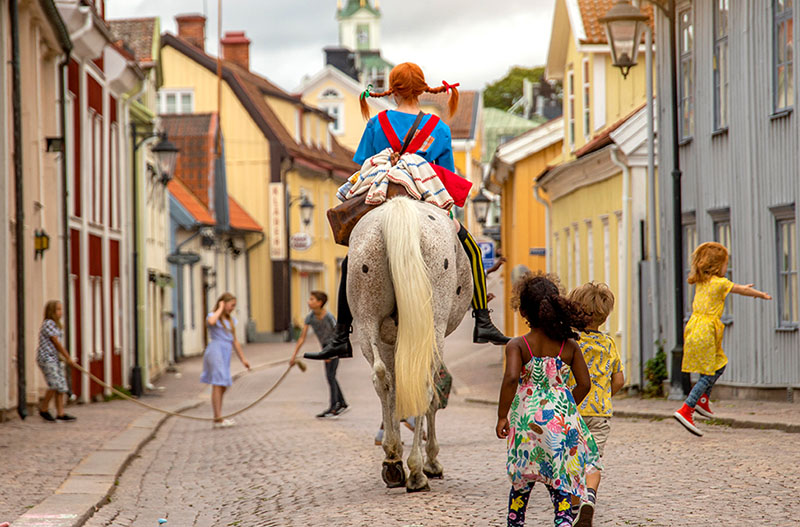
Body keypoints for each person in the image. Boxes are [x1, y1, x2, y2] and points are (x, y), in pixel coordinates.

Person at [304, 62, 508, 362]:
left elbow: (363, 167)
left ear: (393, 90)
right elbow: (445, 177)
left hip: (384, 198)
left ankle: (341, 334)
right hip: (425, 199)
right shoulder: (439, 129)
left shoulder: (377, 123)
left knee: (352, 261)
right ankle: (482, 319)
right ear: (423, 89)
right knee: (472, 251)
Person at [496, 272, 600, 527]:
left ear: (523, 312)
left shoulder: (518, 345)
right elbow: (585, 384)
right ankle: (563, 521)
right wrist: (564, 408)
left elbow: (511, 378)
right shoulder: (569, 346)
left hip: (526, 423)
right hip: (561, 423)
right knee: (560, 478)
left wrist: (501, 415)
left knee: (523, 480)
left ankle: (516, 522)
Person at [674, 242, 771, 436]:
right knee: (710, 372)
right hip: (706, 331)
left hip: (694, 328)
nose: (727, 268)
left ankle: (702, 400)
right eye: (726, 264)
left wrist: (744, 287)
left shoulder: (701, 281)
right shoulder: (719, 283)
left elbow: (736, 287)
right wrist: (759, 294)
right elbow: (739, 290)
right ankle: (687, 408)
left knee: (718, 364)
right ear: (717, 265)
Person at [566, 282, 625, 526]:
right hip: (600, 414)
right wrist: (604, 396)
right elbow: (620, 380)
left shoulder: (570, 342)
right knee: (593, 459)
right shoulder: (609, 344)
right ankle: (590, 496)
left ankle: (573, 505)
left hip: (572, 410)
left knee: (571, 458)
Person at [290, 291, 348, 418]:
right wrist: (294, 355)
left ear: (319, 303)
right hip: (325, 348)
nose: (308, 302)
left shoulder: (328, 316)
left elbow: (337, 333)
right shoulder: (310, 317)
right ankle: (342, 403)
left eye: (312, 299)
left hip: (333, 347)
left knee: (330, 376)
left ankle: (334, 407)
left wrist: (330, 353)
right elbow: (302, 338)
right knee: (330, 376)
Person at [201, 293, 250, 428]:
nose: (232, 308)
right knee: (218, 382)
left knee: (224, 384)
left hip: (226, 352)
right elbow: (210, 322)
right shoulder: (213, 316)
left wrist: (243, 360)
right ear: (223, 303)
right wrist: (220, 308)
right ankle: (218, 418)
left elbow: (235, 341)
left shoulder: (231, 321)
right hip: (215, 350)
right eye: (231, 305)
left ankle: (218, 416)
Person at [36, 301, 76, 422]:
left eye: (61, 309)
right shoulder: (48, 324)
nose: (60, 312)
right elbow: (56, 342)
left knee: (62, 386)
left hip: (54, 358)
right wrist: (68, 357)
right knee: (54, 384)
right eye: (57, 310)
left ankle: (60, 413)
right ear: (51, 312)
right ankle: (43, 409)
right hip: (46, 358)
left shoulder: (57, 325)